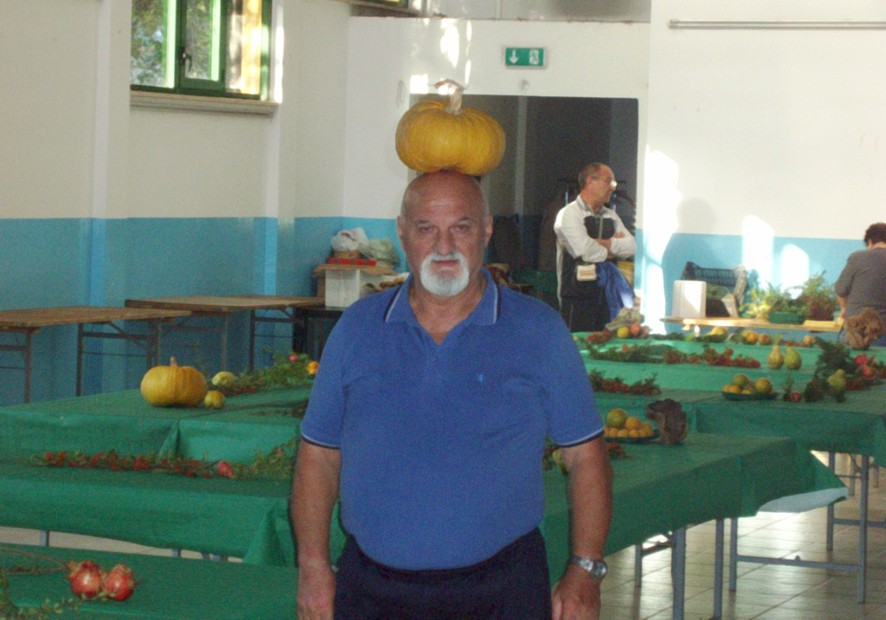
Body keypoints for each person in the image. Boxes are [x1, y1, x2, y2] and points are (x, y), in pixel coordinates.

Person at [292, 170, 613, 620]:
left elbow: (586, 457)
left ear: (486, 230)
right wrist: (312, 567)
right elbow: (319, 457)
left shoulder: (539, 331)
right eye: (426, 228)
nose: (444, 246)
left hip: (503, 591)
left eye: (461, 227)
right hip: (371, 592)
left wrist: (585, 569)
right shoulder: (356, 330)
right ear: (403, 233)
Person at [554, 163, 636, 332]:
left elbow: (632, 247)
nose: (613, 188)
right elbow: (585, 251)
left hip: (607, 298)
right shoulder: (569, 214)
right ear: (591, 181)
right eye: (609, 182)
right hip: (577, 299)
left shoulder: (611, 215)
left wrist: (605, 244)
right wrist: (614, 251)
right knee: (578, 344)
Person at [834, 222, 886, 347]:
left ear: (870, 241)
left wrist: (844, 308)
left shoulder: (857, 258)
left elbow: (840, 290)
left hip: (856, 331)